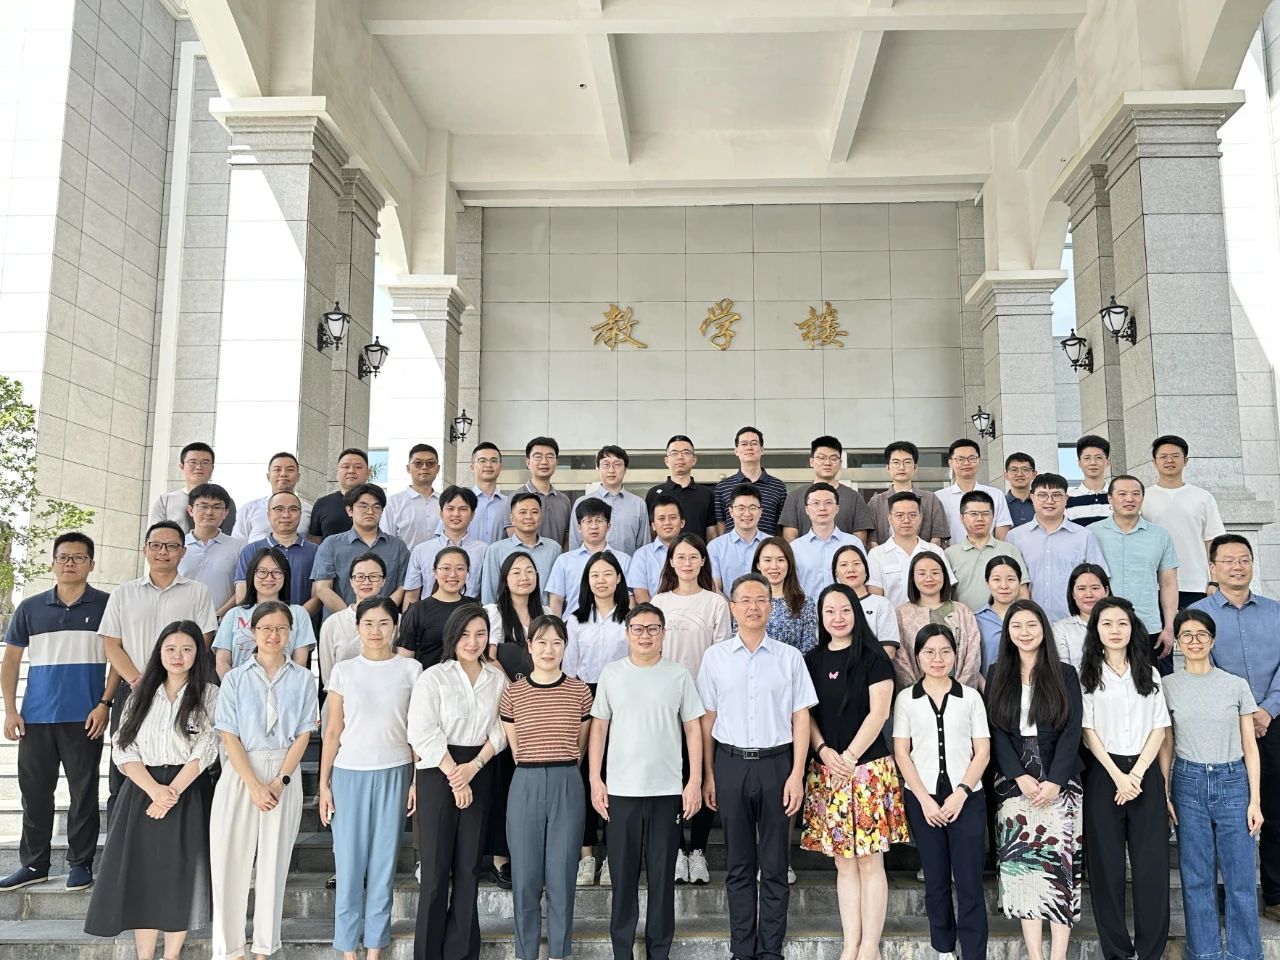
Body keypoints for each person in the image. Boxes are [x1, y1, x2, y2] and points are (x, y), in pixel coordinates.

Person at [697, 572, 818, 960]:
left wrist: (797, 774)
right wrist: (709, 775)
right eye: (745, 600)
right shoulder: (715, 657)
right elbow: (707, 720)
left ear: (771, 606)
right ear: (732, 608)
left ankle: (770, 950)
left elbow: (801, 717)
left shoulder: (789, 658)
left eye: (761, 600)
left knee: (776, 864)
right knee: (738, 865)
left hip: (777, 765)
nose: (753, 607)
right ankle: (742, 950)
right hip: (731, 764)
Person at [83, 620, 219, 958]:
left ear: (197, 654)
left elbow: (207, 747)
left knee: (179, 876)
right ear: (159, 652)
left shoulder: (209, 694)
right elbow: (123, 747)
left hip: (188, 791)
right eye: (170, 648)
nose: (178, 655)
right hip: (142, 790)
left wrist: (170, 793)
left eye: (186, 649)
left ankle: (171, 955)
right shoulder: (140, 693)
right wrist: (155, 791)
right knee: (142, 876)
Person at [589, 603, 705, 960]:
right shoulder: (612, 673)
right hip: (621, 792)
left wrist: (694, 780)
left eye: (653, 628)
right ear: (627, 634)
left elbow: (693, 728)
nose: (645, 635)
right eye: (637, 628)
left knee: (662, 880)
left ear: (663, 634)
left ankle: (659, 952)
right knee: (623, 880)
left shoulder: (678, 675)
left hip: (666, 792)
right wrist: (595, 778)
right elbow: (599, 728)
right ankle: (621, 951)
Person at [0, 533, 112, 892]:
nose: (70, 563)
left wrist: (105, 704)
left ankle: (81, 864)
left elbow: (119, 658)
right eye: (63, 557)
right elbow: (10, 661)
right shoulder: (30, 608)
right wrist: (10, 710)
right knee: (34, 795)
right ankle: (35, 865)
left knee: (83, 794)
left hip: (85, 718)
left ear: (91, 564)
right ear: (53, 562)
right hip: (35, 718)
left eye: (78, 557)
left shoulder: (108, 605)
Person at [802, 584, 907, 960]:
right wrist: (823, 750)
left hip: (867, 771)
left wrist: (848, 757)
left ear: (856, 613)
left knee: (869, 860)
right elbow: (805, 714)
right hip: (828, 770)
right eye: (829, 611)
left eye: (845, 610)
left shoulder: (873, 657)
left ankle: (869, 946)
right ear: (821, 617)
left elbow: (879, 713)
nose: (837, 617)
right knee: (843, 862)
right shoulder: (812, 660)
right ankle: (851, 944)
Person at [210, 601, 318, 960]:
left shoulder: (304, 679)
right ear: (253, 632)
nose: (274, 635)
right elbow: (228, 735)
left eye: (281, 628)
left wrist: (279, 782)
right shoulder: (235, 678)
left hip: (283, 772)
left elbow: (304, 733)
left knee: (274, 865)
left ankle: (264, 948)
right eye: (266, 628)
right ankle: (230, 950)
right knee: (230, 862)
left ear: (291, 633)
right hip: (242, 771)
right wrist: (255, 785)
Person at [318, 597, 422, 960]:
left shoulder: (411, 670)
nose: (376, 631)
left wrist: (415, 781)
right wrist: (324, 784)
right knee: (348, 866)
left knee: (383, 864)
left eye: (383, 623)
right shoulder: (344, 671)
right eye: (368, 623)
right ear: (357, 627)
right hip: (349, 774)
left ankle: (376, 947)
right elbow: (333, 730)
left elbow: (416, 731)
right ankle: (348, 949)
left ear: (395, 627)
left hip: (395, 772)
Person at [1162, 609, 1265, 960]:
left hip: (1233, 781)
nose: (1195, 641)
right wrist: (1165, 791)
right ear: (1178, 642)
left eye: (1201, 634)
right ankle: (1204, 953)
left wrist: (1255, 800)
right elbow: (1166, 743)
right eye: (1187, 635)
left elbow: (1250, 745)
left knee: (1240, 879)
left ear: (1212, 640)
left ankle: (1244, 954)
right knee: (1196, 877)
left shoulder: (1235, 685)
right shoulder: (1168, 686)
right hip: (1188, 782)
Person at [407, 605, 508, 960]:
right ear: (452, 636)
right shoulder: (433, 677)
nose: (472, 642)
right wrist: (456, 775)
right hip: (438, 772)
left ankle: (462, 953)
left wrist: (473, 768)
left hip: (479, 770)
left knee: (468, 869)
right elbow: (422, 731)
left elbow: (502, 729)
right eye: (465, 634)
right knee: (435, 873)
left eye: (480, 634)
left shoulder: (497, 679)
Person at [985, 599, 1084, 960]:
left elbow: (1073, 729)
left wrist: (1056, 780)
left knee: (1060, 869)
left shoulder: (1064, 673)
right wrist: (1018, 775)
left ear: (1044, 629)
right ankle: (1035, 955)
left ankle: (1058, 955)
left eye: (1031, 625)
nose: (1024, 633)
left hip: (1061, 778)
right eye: (1017, 626)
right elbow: (995, 730)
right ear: (1007, 633)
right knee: (1023, 870)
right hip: (1013, 782)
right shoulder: (997, 672)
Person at [1189, 534, 1280, 922]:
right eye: (1227, 561)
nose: (1237, 566)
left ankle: (1274, 894)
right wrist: (1242, 714)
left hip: (1273, 723)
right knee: (1223, 814)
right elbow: (1199, 666)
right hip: (1221, 727)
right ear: (1213, 567)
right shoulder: (1198, 614)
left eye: (1243, 559)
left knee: (1274, 809)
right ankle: (1226, 896)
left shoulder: (1276, 612)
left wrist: (1267, 709)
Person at [100, 521, 217, 819]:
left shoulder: (198, 592)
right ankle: (121, 839)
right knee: (123, 771)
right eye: (156, 545)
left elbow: (203, 641)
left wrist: (173, 678)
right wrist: (139, 680)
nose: (163, 551)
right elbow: (112, 644)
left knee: (186, 763)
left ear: (183, 551)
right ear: (145, 549)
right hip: (134, 689)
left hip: (183, 691)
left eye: (171, 546)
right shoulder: (124, 593)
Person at [1079, 596, 1170, 960]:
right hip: (1104, 774)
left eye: (1122, 623)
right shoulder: (1086, 675)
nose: (1115, 630)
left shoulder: (1149, 672)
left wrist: (1137, 774)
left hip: (1144, 773)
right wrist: (1118, 776)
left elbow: (1160, 727)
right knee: (1106, 867)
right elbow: (1087, 731)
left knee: (1152, 867)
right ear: (1096, 630)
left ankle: (1150, 951)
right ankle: (1117, 951)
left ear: (1133, 629)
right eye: (1107, 624)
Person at [893, 623, 991, 960]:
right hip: (923, 800)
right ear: (917, 656)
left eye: (945, 651)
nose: (938, 659)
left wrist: (961, 792)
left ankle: (974, 953)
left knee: (969, 882)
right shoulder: (906, 699)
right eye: (930, 652)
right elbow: (901, 752)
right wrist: (924, 800)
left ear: (955, 655)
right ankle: (944, 950)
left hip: (968, 798)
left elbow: (983, 752)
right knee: (935, 881)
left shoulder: (971, 697)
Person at [499, 615, 593, 960]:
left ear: (566, 647)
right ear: (529, 646)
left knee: (562, 875)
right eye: (541, 642)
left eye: (556, 642)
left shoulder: (580, 691)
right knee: (525, 877)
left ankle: (558, 953)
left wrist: (562, 770)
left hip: (567, 780)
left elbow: (580, 745)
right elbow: (515, 748)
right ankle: (526, 953)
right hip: (525, 781)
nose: (548, 649)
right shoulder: (513, 693)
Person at [651, 532, 732, 884]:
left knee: (700, 772)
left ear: (703, 562)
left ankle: (697, 850)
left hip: (703, 702)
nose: (686, 563)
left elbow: (721, 656)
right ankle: (676, 850)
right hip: (665, 701)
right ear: (671, 562)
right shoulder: (660, 601)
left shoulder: (715, 603)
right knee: (671, 776)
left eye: (693, 557)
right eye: (680, 557)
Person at [564, 551, 631, 886]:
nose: (601, 580)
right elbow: (570, 669)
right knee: (587, 777)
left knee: (616, 776)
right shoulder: (575, 619)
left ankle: (614, 857)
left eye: (607, 574)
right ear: (587, 582)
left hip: (624, 698)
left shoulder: (631, 618)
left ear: (619, 578)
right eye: (595, 575)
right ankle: (587, 855)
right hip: (586, 697)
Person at [482, 550, 545, 888]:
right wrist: (515, 690)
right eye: (516, 571)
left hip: (539, 709)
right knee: (502, 782)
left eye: (529, 570)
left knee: (531, 784)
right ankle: (500, 857)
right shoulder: (493, 613)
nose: (524, 577)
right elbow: (489, 658)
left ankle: (531, 854)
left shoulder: (545, 613)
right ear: (505, 578)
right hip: (503, 705)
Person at [1090, 475, 1180, 673]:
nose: (1129, 499)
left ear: (1142, 498)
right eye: (1122, 494)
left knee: (1151, 684)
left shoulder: (1160, 536)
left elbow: (1168, 584)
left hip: (1148, 627)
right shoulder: (1092, 534)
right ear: (1110, 498)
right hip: (1104, 627)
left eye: (1135, 494)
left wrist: (1169, 627)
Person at [1006, 473, 1108, 623]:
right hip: (1029, 624)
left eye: (1056, 495)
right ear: (1032, 498)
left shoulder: (1084, 536)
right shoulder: (1014, 537)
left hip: (1074, 622)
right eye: (1042, 495)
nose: (1050, 501)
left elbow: (1099, 580)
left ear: (1066, 499)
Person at [1142, 434, 1226, 609]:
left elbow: (1213, 541)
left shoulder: (1203, 497)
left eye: (1175, 456)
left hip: (1196, 583)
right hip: (1154, 584)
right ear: (1154, 462)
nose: (1169, 460)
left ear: (1186, 460)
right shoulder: (1143, 497)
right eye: (1163, 456)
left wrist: (1215, 581)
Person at [212, 547, 316, 677]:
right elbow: (222, 663)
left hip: (285, 687)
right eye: (262, 572)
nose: (269, 578)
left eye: (276, 572)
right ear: (252, 575)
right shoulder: (233, 614)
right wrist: (236, 687)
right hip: (239, 687)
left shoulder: (299, 613)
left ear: (285, 576)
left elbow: (300, 662)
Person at [313, 484, 411, 614]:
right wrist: (351, 617)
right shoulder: (331, 544)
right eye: (363, 506)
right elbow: (322, 588)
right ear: (349, 510)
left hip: (384, 621)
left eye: (376, 507)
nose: (370, 512)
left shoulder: (397, 546)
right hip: (340, 621)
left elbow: (402, 586)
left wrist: (380, 615)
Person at [893, 553, 981, 690]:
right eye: (922, 573)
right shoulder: (902, 614)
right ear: (912, 578)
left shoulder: (961, 611)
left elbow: (973, 653)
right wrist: (916, 691)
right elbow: (900, 658)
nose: (929, 578)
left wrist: (959, 690)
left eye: (935, 573)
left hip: (960, 691)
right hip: (915, 694)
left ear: (944, 576)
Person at [233, 490, 320, 617]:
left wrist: (294, 619)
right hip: (259, 624)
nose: (286, 515)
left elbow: (318, 596)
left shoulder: (316, 551)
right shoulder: (251, 550)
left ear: (300, 514)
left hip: (304, 623)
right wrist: (269, 621)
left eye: (293, 509)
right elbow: (242, 596)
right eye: (279, 509)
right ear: (268, 514)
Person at [945, 489, 1029, 612]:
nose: (980, 518)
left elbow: (1022, 593)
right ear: (962, 518)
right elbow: (945, 596)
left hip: (1003, 621)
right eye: (973, 514)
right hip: (964, 621)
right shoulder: (950, 554)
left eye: (985, 514)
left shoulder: (1009, 550)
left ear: (993, 517)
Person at [865, 491, 954, 608]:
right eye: (899, 515)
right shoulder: (877, 555)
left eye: (912, 515)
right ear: (889, 518)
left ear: (920, 517)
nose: (906, 520)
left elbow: (947, 590)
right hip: (893, 617)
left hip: (931, 617)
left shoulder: (935, 551)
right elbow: (876, 598)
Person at [779, 436, 874, 544]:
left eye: (833, 458)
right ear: (811, 461)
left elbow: (859, 539)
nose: (827, 463)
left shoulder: (854, 497)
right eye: (821, 458)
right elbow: (789, 537)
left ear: (840, 463)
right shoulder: (794, 497)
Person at [547, 499, 632, 616]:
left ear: (608, 526)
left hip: (614, 623)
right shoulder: (564, 561)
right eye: (588, 521)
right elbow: (556, 600)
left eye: (599, 520)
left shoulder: (624, 560)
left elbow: (629, 599)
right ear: (579, 527)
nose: (594, 526)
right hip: (572, 623)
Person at [398, 547, 478, 670]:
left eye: (460, 568)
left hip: (467, 679)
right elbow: (405, 661)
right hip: (428, 679)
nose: (453, 574)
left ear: (468, 572)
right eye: (446, 568)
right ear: (434, 572)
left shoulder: (475, 607)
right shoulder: (417, 610)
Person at [405, 485, 488, 602]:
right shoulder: (421, 550)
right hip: (430, 612)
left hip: (470, 612)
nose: (456, 514)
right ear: (441, 514)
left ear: (472, 515)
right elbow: (411, 596)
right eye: (450, 508)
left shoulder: (484, 551)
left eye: (463, 509)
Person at [318, 553, 387, 687]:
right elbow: (328, 678)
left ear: (383, 580)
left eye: (373, 576)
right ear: (351, 581)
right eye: (360, 577)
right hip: (343, 695)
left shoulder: (396, 621)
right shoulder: (333, 623)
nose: (366, 582)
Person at [480, 490, 560, 605]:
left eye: (534, 512)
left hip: (544, 614)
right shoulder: (495, 550)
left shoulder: (554, 549)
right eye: (523, 512)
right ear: (512, 519)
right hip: (506, 614)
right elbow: (489, 595)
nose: (529, 517)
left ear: (541, 517)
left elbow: (557, 592)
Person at [569, 445, 651, 556]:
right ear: (598, 468)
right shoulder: (581, 502)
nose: (611, 470)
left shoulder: (638, 504)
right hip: (591, 566)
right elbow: (575, 545)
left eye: (617, 464)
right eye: (606, 464)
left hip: (628, 566)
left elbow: (643, 547)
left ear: (625, 469)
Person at [789, 482, 866, 599]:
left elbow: (864, 581)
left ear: (837, 508)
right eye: (815, 503)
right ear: (806, 509)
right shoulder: (795, 547)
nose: (822, 508)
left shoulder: (853, 543)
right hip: (807, 609)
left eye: (828, 503)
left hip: (846, 608)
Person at [867, 441, 949, 548]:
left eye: (907, 462)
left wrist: (924, 556)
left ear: (915, 467)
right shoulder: (876, 502)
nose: (901, 467)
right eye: (896, 462)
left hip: (925, 557)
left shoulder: (931, 499)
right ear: (887, 467)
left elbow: (937, 537)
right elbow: (872, 540)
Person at [178, 483, 243, 617]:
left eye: (217, 507)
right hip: (179, 620)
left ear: (225, 513)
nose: (209, 512)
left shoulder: (239, 548)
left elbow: (242, 588)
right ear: (190, 510)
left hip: (222, 621)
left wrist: (218, 616)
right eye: (203, 506)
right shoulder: (176, 546)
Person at [712, 426, 789, 536]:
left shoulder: (778, 486)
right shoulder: (722, 487)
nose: (749, 447)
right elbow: (721, 525)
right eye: (744, 444)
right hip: (732, 546)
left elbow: (781, 526)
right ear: (736, 451)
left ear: (762, 450)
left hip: (767, 546)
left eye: (754, 443)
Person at [935, 439, 1013, 544]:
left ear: (979, 461)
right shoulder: (938, 497)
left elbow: (1001, 535)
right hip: (952, 553)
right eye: (960, 459)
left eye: (972, 458)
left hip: (990, 553)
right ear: (950, 463)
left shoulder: (996, 495)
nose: (966, 463)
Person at [149, 441, 236, 535]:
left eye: (205, 462)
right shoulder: (165, 501)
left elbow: (229, 535)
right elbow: (155, 536)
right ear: (182, 466)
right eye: (193, 462)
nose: (199, 467)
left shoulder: (225, 501)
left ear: (212, 468)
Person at [753, 537, 818, 655]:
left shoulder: (805, 603)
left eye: (780, 560)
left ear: (789, 564)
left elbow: (808, 649)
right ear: (758, 564)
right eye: (767, 560)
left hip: (793, 666)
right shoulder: (747, 602)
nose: (774, 566)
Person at [645, 435, 716, 541]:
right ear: (666, 461)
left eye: (686, 452)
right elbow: (650, 533)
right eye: (674, 453)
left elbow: (711, 534)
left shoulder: (707, 494)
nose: (680, 457)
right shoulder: (654, 493)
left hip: (697, 551)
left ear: (694, 460)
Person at [231, 451, 313, 542]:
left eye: (290, 470)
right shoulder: (249, 509)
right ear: (268, 476)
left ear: (298, 477)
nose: (283, 474)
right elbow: (237, 544)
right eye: (277, 470)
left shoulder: (310, 511)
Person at [832, 544, 898, 655]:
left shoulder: (882, 604)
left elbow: (889, 651)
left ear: (866, 571)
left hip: (874, 665)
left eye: (856, 564)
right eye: (843, 565)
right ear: (836, 573)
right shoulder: (828, 606)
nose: (851, 569)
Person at [707, 483, 769, 596]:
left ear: (760, 512)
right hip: (727, 606)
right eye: (741, 508)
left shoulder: (772, 544)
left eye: (752, 508)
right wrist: (731, 606)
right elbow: (715, 588)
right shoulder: (716, 547)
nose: (747, 513)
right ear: (731, 511)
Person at [380, 443, 442, 551]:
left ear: (438, 469)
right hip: (404, 561)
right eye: (418, 463)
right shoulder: (393, 502)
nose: (424, 467)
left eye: (430, 463)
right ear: (408, 468)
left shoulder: (445, 502)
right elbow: (386, 540)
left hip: (442, 561)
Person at [1051, 563, 1111, 670]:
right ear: (1073, 594)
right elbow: (1064, 672)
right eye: (1081, 589)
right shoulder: (1060, 629)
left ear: (1106, 591)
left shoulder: (1120, 624)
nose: (1089, 594)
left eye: (1095, 588)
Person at [517, 436, 573, 547]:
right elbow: (513, 537)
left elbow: (567, 537)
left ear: (556, 462)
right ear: (528, 462)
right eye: (538, 457)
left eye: (550, 457)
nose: (544, 462)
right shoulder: (516, 496)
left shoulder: (564, 500)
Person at [629, 495, 685, 603]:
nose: (667, 522)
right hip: (654, 613)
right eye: (661, 519)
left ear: (682, 522)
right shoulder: (642, 555)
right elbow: (640, 595)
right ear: (653, 525)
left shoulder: (694, 552)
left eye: (672, 517)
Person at [974, 555, 1024, 674]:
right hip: (987, 684)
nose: (1004, 586)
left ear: (1020, 582)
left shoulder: (1031, 617)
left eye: (1011, 579)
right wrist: (986, 685)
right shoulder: (976, 620)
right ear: (987, 583)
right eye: (997, 579)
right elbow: (971, 662)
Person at [310, 448, 372, 542]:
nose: (351, 471)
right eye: (346, 467)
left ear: (368, 473)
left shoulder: (377, 504)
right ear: (337, 473)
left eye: (358, 467)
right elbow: (315, 541)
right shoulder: (322, 504)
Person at [468, 441, 512, 544]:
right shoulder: (461, 502)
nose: (488, 465)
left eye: (494, 461)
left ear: (500, 467)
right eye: (482, 461)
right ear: (472, 467)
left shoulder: (509, 504)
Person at [1065, 435, 1112, 527]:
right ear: (1079, 463)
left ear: (1107, 462)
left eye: (1098, 457)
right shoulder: (1067, 499)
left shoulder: (1120, 496)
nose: (1093, 463)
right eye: (1087, 458)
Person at [1003, 451, 1037, 528]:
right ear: (1006, 475)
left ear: (1034, 474)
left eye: (1025, 469)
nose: (1019, 474)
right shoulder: (999, 504)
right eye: (1014, 470)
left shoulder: (1042, 503)